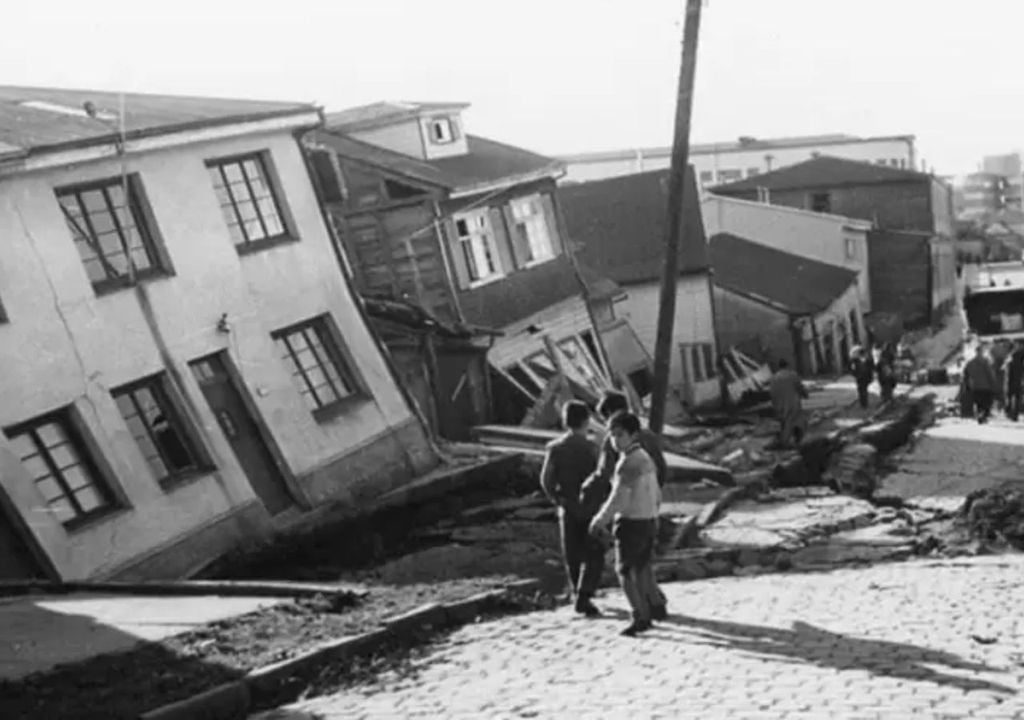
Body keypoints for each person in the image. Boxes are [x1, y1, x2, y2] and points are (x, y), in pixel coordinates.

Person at [579, 391, 669, 620]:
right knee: (644, 563)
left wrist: (593, 502)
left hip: (629, 512)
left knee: (625, 567)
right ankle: (656, 603)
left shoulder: (618, 445)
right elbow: (662, 469)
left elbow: (608, 478)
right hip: (649, 506)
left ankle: (638, 613)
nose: (612, 435)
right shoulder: (647, 436)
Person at [539, 400, 603, 617]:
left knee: (572, 553)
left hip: (567, 507)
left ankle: (577, 592)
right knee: (594, 552)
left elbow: (546, 480)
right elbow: (603, 478)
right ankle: (585, 594)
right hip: (591, 506)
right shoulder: (593, 448)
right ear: (586, 421)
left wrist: (558, 499)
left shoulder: (555, 448)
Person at [769, 359, 809, 448]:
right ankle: (792, 441)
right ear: (787, 366)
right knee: (797, 421)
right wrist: (805, 395)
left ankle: (784, 440)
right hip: (792, 403)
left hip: (778, 404)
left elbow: (771, 392)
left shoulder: (774, 377)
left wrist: (774, 404)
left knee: (784, 422)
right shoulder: (792, 375)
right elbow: (799, 387)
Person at [963, 345, 998, 424]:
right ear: (981, 352)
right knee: (986, 403)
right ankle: (984, 416)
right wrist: (994, 384)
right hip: (986, 386)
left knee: (979, 403)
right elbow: (990, 374)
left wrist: (968, 385)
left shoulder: (970, 363)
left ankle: (980, 415)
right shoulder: (985, 362)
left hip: (976, 386)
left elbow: (966, 374)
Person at [1004, 341, 1024, 421]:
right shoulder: (1014, 355)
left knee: (1014, 396)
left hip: (1015, 379)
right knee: (1016, 396)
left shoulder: (1014, 355)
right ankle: (1013, 414)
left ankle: (1011, 413)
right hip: (1017, 379)